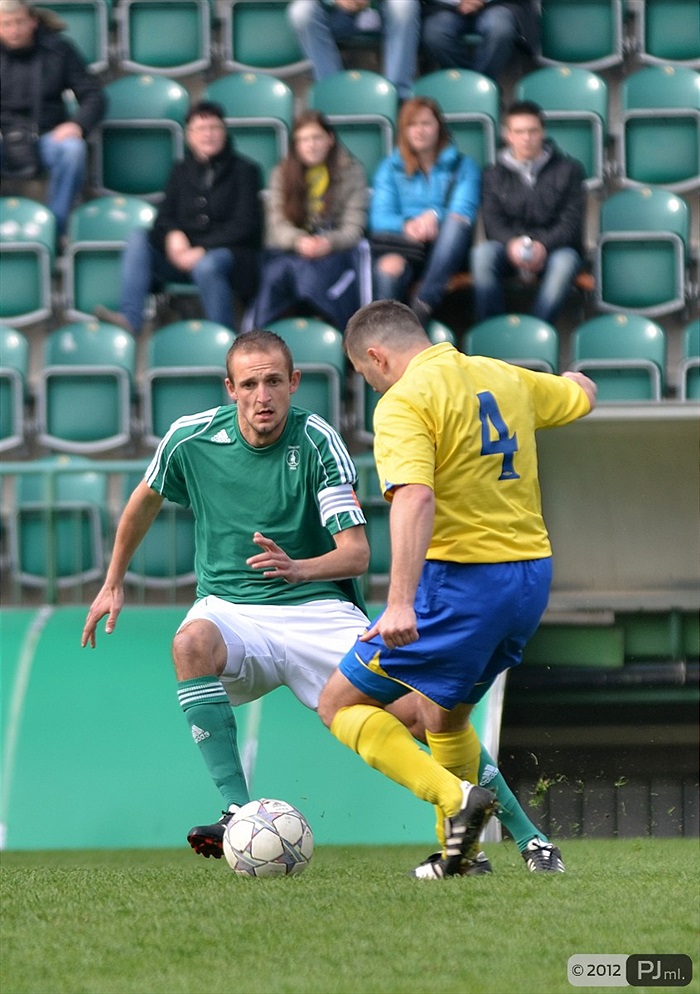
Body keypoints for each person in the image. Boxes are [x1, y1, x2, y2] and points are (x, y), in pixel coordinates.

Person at [81, 328, 562, 872]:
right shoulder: (189, 439)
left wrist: (297, 568)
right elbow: (144, 500)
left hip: (317, 608)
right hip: (232, 610)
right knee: (189, 643)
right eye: (249, 384)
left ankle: (528, 839)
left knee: (428, 714)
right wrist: (113, 580)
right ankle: (238, 812)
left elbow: (355, 554)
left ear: (294, 383)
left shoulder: (317, 442)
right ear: (230, 389)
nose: (263, 395)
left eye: (273, 382)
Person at [317, 299, 597, 879]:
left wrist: (399, 601)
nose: (371, 385)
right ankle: (465, 855)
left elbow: (415, 496)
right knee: (443, 718)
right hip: (529, 578)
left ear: (376, 356)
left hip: (461, 582)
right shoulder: (505, 376)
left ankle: (454, 801)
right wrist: (576, 384)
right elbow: (580, 396)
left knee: (339, 703)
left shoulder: (405, 402)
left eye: (366, 374)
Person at [94, 100, 261, 335]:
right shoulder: (180, 170)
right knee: (138, 238)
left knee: (207, 266)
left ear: (224, 132)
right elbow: (164, 218)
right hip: (183, 257)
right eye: (201, 129)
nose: (208, 135)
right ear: (189, 136)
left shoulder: (245, 170)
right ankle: (131, 318)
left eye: (214, 128)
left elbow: (245, 225)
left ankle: (225, 339)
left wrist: (202, 249)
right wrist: (173, 236)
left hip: (228, 257)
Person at [471, 99, 585, 325]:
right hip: (508, 249)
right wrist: (512, 244)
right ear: (507, 135)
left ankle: (535, 330)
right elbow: (492, 223)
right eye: (519, 131)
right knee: (482, 255)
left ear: (543, 132)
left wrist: (542, 245)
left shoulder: (569, 169)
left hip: (555, 249)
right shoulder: (493, 174)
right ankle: (492, 333)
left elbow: (570, 223)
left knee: (565, 263)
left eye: (533, 131)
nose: (526, 138)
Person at [251, 110, 367, 331]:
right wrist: (299, 241)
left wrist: (328, 242)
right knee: (277, 275)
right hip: (291, 250)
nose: (311, 145)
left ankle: (339, 340)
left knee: (316, 278)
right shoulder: (282, 172)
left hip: (335, 251)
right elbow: (276, 224)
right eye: (303, 140)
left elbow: (354, 226)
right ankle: (263, 340)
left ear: (330, 139)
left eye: (316, 138)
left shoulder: (351, 171)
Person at [369, 96, 479, 326]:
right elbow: (379, 218)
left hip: (449, 249)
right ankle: (387, 335)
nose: (420, 131)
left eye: (426, 123)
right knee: (388, 268)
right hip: (408, 246)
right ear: (404, 130)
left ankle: (422, 304)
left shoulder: (463, 165)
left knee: (456, 221)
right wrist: (408, 224)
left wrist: (435, 216)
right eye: (412, 125)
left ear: (438, 126)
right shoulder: (389, 168)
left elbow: (464, 207)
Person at [0, 0, 106, 238]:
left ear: (33, 21)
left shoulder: (59, 49)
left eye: (19, 22)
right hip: (4, 139)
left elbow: (93, 96)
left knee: (73, 150)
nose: (14, 29)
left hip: (48, 136)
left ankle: (54, 231)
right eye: (6, 24)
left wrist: (77, 124)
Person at [287, 0, 420, 102]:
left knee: (403, 5)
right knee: (301, 12)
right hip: (336, 13)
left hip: (382, 10)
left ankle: (397, 97)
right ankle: (331, 95)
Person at [420, 0, 539, 82]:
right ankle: (470, 85)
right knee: (435, 35)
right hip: (446, 7)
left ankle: (482, 88)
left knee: (499, 29)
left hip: (499, 4)